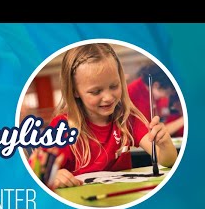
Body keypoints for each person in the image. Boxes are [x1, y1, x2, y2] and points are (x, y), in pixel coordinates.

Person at [37, 43, 178, 189]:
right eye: (96, 92)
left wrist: (165, 144)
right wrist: (53, 175)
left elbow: (167, 160)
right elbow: (37, 172)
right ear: (75, 91)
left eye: (114, 86)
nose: (108, 97)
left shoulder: (128, 118)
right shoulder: (62, 127)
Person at [128, 62, 184, 137]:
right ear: (156, 85)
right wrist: (184, 120)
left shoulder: (152, 94)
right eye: (167, 93)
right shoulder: (133, 94)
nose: (167, 97)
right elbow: (148, 134)